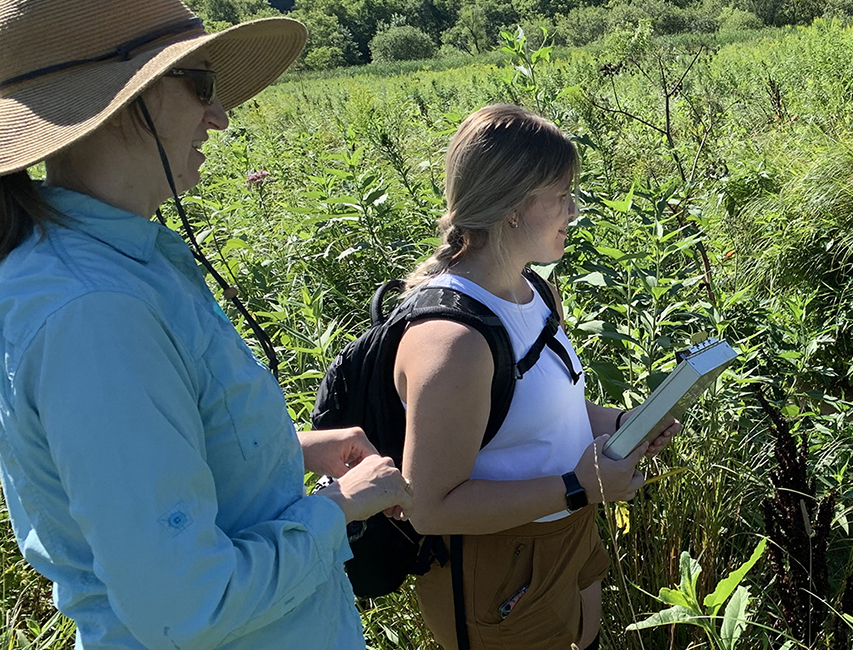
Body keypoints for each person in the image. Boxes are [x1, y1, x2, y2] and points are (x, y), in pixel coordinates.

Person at [0, 2, 411, 648]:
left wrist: (293, 452)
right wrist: (338, 506)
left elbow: (158, 457)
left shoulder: (124, 264)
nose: (218, 116)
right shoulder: (96, 313)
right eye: (199, 85)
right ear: (121, 101)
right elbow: (186, 603)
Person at [395, 104, 678, 650]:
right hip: (499, 566)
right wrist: (578, 486)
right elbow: (429, 507)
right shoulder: (452, 340)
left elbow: (549, 412)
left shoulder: (537, 293)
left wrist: (626, 423)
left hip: (566, 533)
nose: (574, 209)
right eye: (561, 194)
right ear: (512, 209)